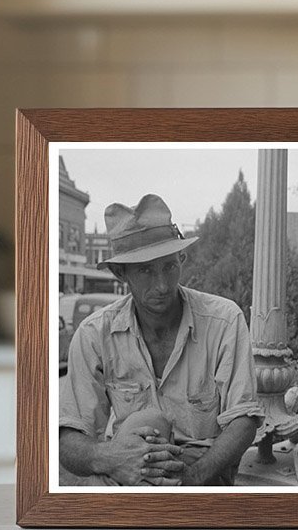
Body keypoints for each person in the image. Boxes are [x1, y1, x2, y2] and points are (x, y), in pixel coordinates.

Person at [58, 193, 263, 487]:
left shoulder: (224, 320)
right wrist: (114, 460)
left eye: (169, 266)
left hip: (203, 481)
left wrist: (193, 477)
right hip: (126, 479)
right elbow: (69, 438)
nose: (163, 285)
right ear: (121, 273)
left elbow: (243, 420)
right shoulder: (94, 335)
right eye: (145, 270)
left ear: (182, 257)